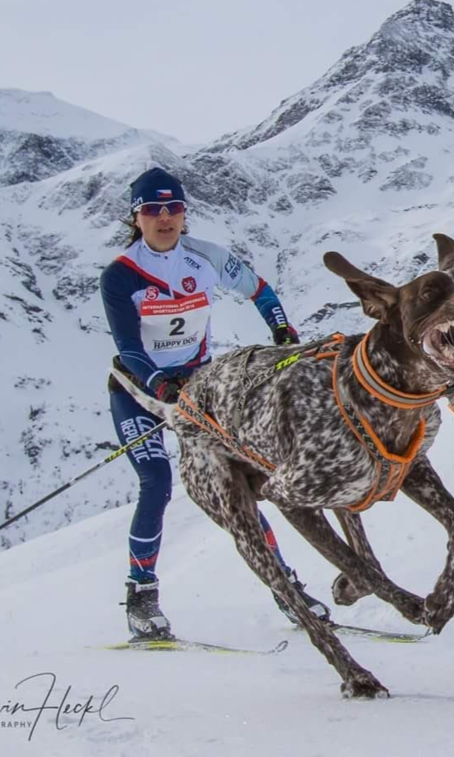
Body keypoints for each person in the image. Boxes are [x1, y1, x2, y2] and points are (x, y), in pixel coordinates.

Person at [100, 166, 330, 640]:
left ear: (185, 214)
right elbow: (129, 348)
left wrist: (281, 328)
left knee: (237, 482)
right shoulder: (120, 275)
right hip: (138, 390)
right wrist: (161, 386)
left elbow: (259, 291)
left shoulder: (205, 257)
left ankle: (284, 586)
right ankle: (141, 594)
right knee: (156, 482)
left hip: (197, 388)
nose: (165, 218)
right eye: (153, 210)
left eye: (174, 208)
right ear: (136, 217)